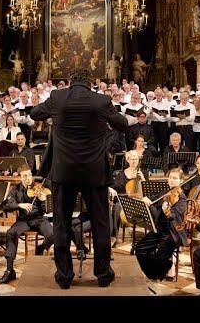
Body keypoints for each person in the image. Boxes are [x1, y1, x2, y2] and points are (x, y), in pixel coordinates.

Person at [30, 68, 128, 289]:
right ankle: (103, 274)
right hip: (95, 173)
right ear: (91, 83)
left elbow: (35, 114)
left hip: (64, 172)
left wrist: (56, 115)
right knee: (100, 223)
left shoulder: (57, 97)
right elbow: (122, 124)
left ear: (71, 82)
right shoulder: (101, 101)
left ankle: (64, 276)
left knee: (61, 223)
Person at [0, 164, 54, 284]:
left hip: (39, 219)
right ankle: (9, 270)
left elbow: (48, 210)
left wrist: (44, 201)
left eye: (29, 175)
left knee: (52, 234)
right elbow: (6, 206)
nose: (28, 178)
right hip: (24, 220)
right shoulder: (15, 190)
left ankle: (41, 248)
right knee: (10, 233)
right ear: (20, 178)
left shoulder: (39, 187)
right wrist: (19, 205)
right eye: (25, 176)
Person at [136, 168, 189, 281]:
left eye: (175, 178)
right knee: (139, 248)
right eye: (170, 177)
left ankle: (158, 272)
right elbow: (152, 202)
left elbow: (175, 216)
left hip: (172, 232)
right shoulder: (165, 192)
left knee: (159, 256)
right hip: (159, 229)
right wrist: (147, 201)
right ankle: (156, 272)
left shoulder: (182, 197)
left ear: (181, 180)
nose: (172, 180)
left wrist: (167, 211)